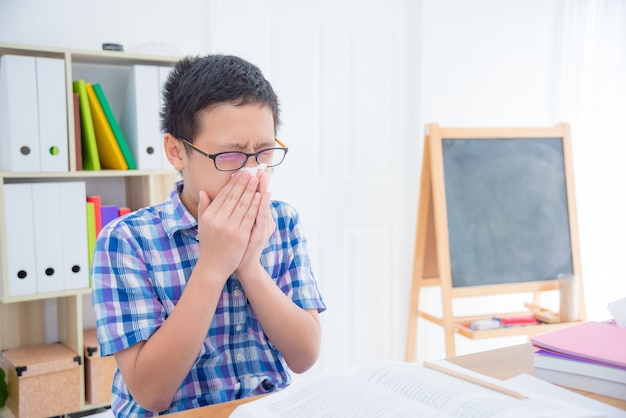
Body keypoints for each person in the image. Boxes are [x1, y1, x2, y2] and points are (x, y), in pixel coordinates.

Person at [91, 54, 326, 416]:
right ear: (176, 151)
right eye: (229, 155)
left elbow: (305, 355)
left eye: (263, 152)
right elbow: (151, 393)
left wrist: (249, 265)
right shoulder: (126, 241)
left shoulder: (283, 221)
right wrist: (214, 265)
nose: (251, 173)